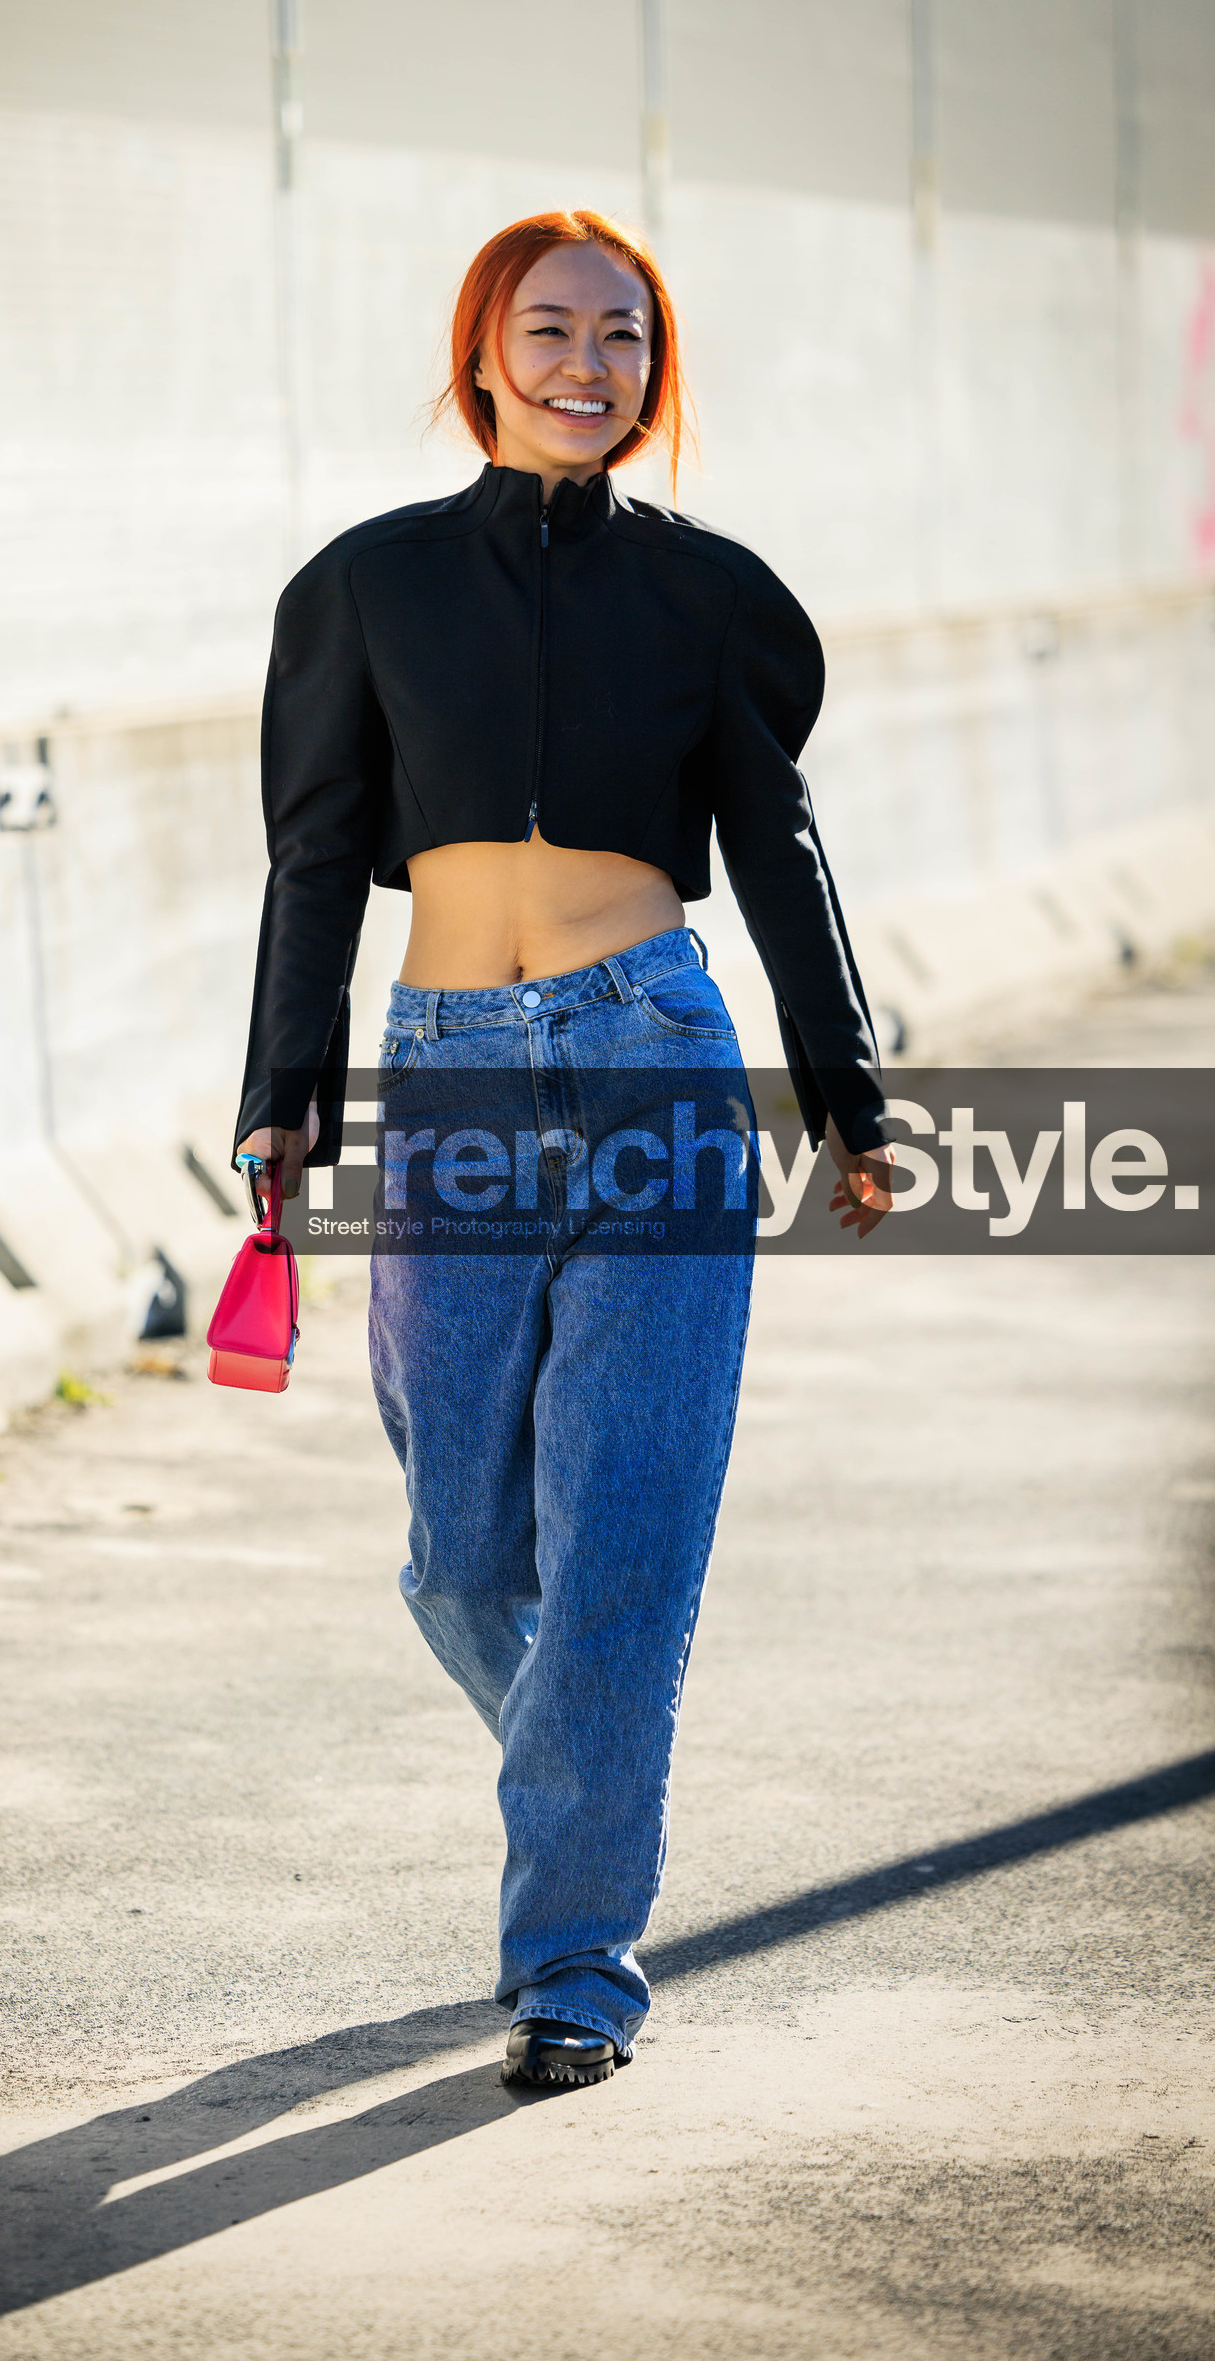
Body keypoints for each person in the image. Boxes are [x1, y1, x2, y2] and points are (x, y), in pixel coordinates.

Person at [233, 209, 893, 2090]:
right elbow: (309, 858)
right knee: (457, 1554)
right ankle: (594, 1754)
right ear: (482, 349)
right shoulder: (362, 588)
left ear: (652, 369)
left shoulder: (715, 597)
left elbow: (782, 848)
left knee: (622, 1548)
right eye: (552, 330)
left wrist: (852, 1091)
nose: (589, 365)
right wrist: (284, 1092)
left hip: (656, 1060)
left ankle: (576, 1966)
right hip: (445, 1077)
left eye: (624, 336)